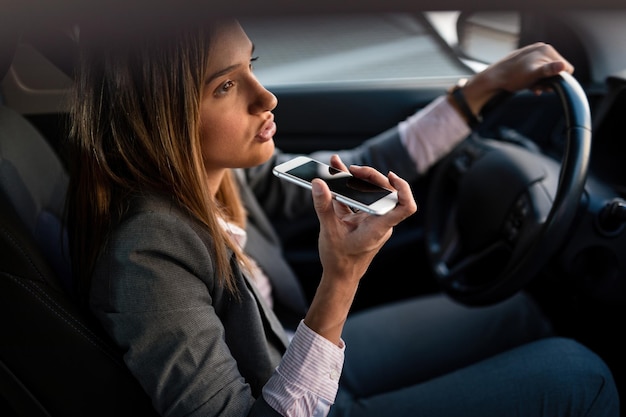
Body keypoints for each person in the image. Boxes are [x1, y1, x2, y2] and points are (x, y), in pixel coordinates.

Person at [65, 17, 620, 417]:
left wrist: (483, 88)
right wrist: (342, 279)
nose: (268, 99)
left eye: (251, 66)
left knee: (521, 312)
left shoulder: (221, 174)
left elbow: (368, 168)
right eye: (227, 86)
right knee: (582, 375)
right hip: (299, 397)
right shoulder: (145, 258)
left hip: (289, 350)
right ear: (158, 118)